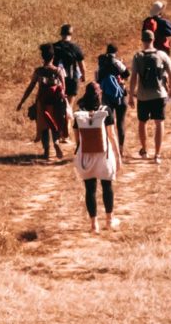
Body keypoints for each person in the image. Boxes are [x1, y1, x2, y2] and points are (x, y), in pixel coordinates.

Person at [72, 82, 122, 233]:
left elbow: (77, 138)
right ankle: (109, 220)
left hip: (86, 155)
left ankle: (94, 225)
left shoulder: (79, 113)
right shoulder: (106, 110)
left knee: (90, 189)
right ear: (100, 93)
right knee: (107, 186)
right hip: (104, 155)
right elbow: (112, 135)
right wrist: (118, 155)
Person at [129, 29, 171, 164]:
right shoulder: (162, 55)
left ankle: (144, 150)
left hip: (143, 96)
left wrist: (131, 95)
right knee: (159, 123)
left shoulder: (138, 56)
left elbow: (133, 78)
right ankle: (157, 154)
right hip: (159, 94)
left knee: (142, 123)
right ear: (153, 40)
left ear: (142, 41)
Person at [16, 42, 67, 159]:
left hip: (42, 102)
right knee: (55, 124)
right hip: (56, 102)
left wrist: (22, 102)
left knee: (44, 126)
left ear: (42, 57)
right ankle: (56, 143)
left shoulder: (38, 71)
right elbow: (63, 87)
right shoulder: (59, 70)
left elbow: (31, 87)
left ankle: (46, 151)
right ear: (53, 57)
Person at [96, 44, 130, 152]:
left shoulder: (101, 63)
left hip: (106, 97)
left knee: (107, 123)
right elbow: (127, 74)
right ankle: (120, 149)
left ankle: (108, 147)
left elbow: (97, 80)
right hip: (119, 95)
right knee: (120, 123)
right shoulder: (116, 62)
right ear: (115, 51)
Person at [52, 24, 87, 100]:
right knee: (69, 106)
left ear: (61, 34)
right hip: (72, 79)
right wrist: (83, 76)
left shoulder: (54, 47)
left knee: (56, 104)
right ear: (71, 34)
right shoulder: (75, 47)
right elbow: (82, 66)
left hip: (57, 80)